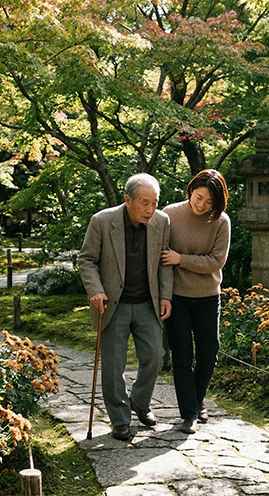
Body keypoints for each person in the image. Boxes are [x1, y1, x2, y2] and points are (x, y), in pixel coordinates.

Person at [77, 173, 173, 441]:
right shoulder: (102, 221)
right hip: (113, 304)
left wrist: (166, 296)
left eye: (154, 202)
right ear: (128, 200)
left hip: (147, 302)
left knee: (155, 355)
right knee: (113, 365)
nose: (150, 209)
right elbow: (86, 260)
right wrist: (95, 289)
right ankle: (120, 419)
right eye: (144, 203)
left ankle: (140, 403)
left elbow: (165, 262)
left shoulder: (162, 222)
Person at [160, 169, 230, 434]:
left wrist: (182, 259)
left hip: (207, 296)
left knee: (209, 354)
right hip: (177, 297)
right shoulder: (170, 213)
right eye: (198, 197)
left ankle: (197, 399)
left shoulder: (221, 222)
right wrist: (164, 294)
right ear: (191, 190)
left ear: (218, 203)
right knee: (181, 357)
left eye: (209, 202)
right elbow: (162, 257)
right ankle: (189, 414)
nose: (201, 205)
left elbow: (216, 261)